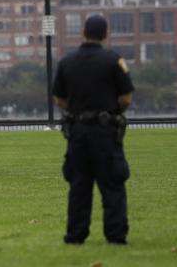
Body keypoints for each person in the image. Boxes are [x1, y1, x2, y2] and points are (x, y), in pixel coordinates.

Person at [52, 14, 133, 246]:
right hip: (105, 133)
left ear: (83, 33)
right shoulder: (113, 60)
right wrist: (109, 111)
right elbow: (126, 98)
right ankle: (116, 236)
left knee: (79, 186)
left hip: (77, 132)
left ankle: (76, 236)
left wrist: (79, 109)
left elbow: (60, 98)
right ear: (105, 34)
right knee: (112, 185)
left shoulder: (67, 61)